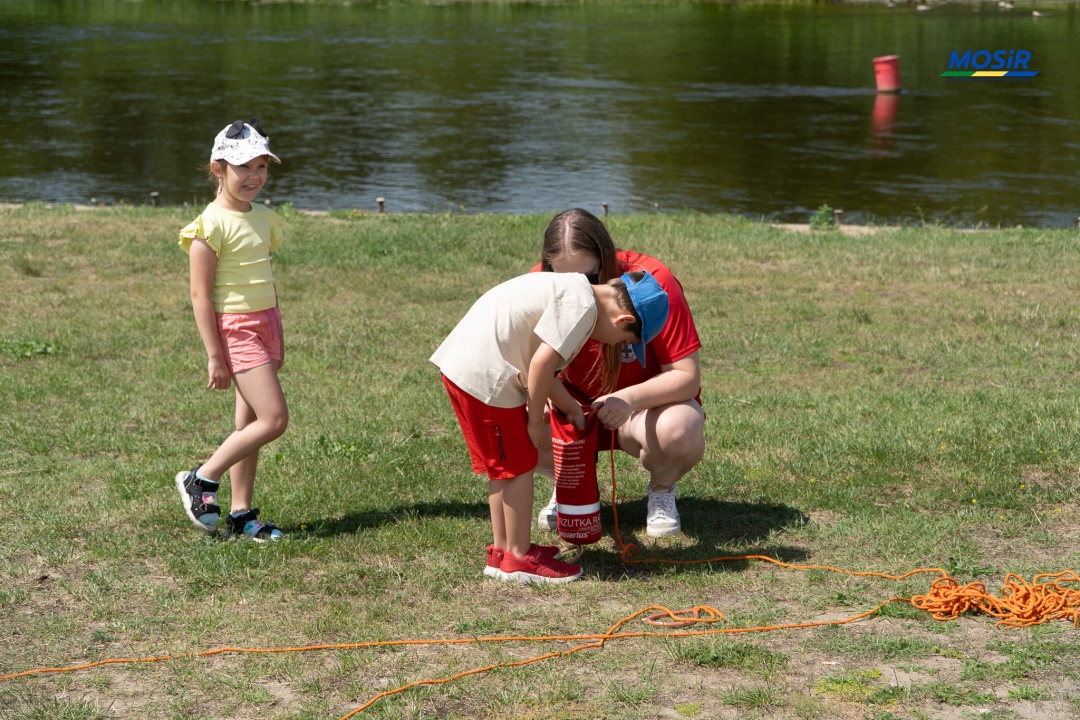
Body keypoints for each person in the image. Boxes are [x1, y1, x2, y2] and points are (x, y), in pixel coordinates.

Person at [431, 270, 669, 583]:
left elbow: (539, 363)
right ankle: (518, 558)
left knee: (504, 469)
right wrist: (534, 423)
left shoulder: (575, 291)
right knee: (519, 466)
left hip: (469, 366)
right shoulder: (582, 309)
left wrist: (570, 407)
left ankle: (503, 552)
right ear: (622, 318)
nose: (615, 345)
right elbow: (540, 366)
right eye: (625, 340)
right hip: (487, 376)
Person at [534, 208, 704, 537]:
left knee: (679, 429)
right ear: (547, 269)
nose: (578, 292)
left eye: (589, 279)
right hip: (569, 410)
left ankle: (662, 489)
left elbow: (686, 376)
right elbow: (524, 365)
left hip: (637, 413)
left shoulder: (651, 285)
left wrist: (628, 398)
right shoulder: (535, 287)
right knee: (515, 412)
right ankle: (569, 484)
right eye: (563, 281)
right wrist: (538, 397)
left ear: (608, 260)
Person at [174, 118, 288, 542]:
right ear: (217, 168)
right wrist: (215, 355)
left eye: (261, 166)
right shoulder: (209, 226)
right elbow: (201, 297)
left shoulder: (264, 219)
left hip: (266, 324)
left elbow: (264, 279)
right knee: (273, 419)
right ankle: (202, 479)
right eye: (243, 167)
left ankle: (242, 516)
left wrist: (278, 334)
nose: (254, 176)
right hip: (236, 329)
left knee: (250, 423)